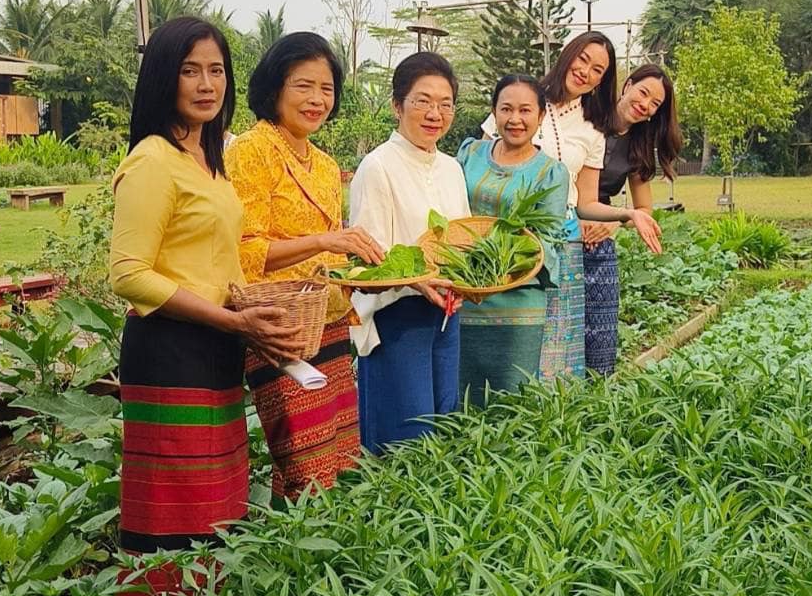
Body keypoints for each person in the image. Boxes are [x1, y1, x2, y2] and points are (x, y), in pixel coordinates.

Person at [109, 16, 300, 596]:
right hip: (169, 350)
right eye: (189, 70)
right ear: (164, 77)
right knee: (171, 505)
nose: (205, 83)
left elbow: (215, 260)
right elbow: (129, 273)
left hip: (214, 347)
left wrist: (249, 314)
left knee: (213, 504)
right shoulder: (153, 160)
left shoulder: (206, 160)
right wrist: (231, 322)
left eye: (216, 70)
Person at [227, 33, 384, 504]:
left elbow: (330, 250)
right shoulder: (249, 151)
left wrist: (352, 266)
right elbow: (244, 250)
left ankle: (330, 555)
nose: (317, 99)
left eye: (327, 88)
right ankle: (290, 558)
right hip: (278, 324)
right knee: (301, 453)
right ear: (275, 87)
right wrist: (325, 241)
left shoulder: (323, 163)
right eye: (304, 86)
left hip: (328, 319)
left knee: (339, 450)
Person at [348, 52, 468, 455]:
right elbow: (368, 257)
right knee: (404, 440)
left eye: (445, 103)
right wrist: (417, 280)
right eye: (422, 101)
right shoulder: (378, 166)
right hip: (398, 316)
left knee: (443, 426)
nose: (435, 113)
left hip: (447, 313)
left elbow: (463, 239)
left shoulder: (452, 168)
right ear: (397, 105)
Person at [482, 32, 617, 378]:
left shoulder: (593, 129)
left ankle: (545, 424)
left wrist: (627, 216)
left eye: (598, 70)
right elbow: (484, 163)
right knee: (504, 336)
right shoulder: (522, 97)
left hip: (559, 246)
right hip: (501, 240)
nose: (586, 71)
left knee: (555, 343)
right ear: (568, 54)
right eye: (583, 59)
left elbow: (586, 202)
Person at [456, 75, 569, 403]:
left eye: (525, 110)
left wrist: (500, 267)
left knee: (512, 395)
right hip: (464, 294)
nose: (515, 119)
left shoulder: (551, 173)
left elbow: (548, 237)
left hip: (519, 301)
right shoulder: (470, 153)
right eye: (506, 109)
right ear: (494, 112)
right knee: (459, 394)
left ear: (541, 116)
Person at [581, 64, 682, 375]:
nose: (646, 105)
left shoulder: (638, 146)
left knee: (600, 327)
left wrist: (613, 222)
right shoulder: (586, 118)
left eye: (655, 105)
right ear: (627, 85)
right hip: (562, 219)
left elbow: (644, 208)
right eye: (644, 93)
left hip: (601, 228)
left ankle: (599, 390)